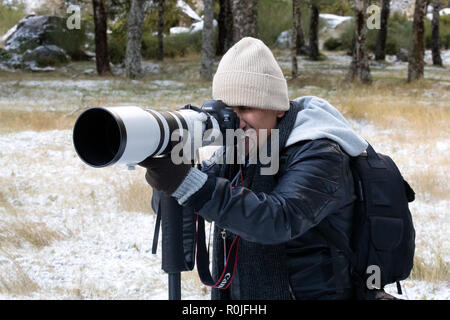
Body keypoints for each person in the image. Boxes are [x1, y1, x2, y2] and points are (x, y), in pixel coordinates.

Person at [139, 37, 368, 300]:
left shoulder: (321, 152)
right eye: (228, 110)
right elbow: (182, 205)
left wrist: (188, 183)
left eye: (246, 108)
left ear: (278, 108)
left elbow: (278, 219)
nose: (237, 122)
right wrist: (170, 164)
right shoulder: (239, 150)